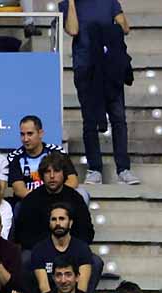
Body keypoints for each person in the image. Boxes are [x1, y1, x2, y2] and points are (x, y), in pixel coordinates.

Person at [63, 0, 138, 186]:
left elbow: (125, 28)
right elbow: (72, 30)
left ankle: (123, 169)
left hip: (109, 67)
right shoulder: (66, 5)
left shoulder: (110, 2)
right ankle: (94, 169)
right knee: (90, 121)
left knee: (118, 118)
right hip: (85, 67)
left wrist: (109, 30)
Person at [11, 152, 95, 253]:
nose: (52, 176)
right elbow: (23, 236)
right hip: (40, 252)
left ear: (64, 174)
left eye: (56, 171)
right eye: (47, 172)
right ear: (42, 175)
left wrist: (68, 248)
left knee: (96, 262)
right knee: (25, 259)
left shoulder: (75, 198)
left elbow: (86, 232)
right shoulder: (31, 200)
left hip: (71, 251)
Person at [29, 202, 99, 293]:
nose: (58, 223)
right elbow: (44, 288)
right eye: (54, 219)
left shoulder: (82, 248)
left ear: (70, 223)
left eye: (62, 219)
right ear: (49, 223)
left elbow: (82, 289)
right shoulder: (39, 250)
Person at [7, 114, 76, 200]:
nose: (25, 139)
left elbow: (72, 180)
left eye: (30, 134)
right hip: (30, 202)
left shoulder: (57, 152)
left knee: (82, 194)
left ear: (40, 133)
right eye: (22, 134)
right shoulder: (15, 157)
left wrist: (55, 197)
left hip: (59, 198)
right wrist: (42, 200)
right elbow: (19, 190)